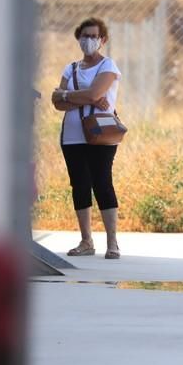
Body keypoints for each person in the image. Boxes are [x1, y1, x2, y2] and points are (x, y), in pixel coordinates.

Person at [51, 17, 122, 260]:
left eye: (93, 36)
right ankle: (86, 240)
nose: (88, 41)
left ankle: (112, 242)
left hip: (100, 134)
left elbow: (95, 93)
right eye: (84, 36)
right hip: (72, 136)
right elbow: (56, 102)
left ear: (102, 40)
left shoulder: (108, 66)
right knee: (79, 184)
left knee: (102, 182)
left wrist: (68, 95)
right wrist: (82, 97)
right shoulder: (70, 68)